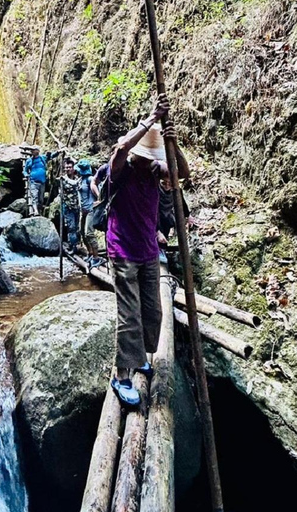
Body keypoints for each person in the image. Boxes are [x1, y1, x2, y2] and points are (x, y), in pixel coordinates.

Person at [107, 93, 189, 406]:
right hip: (122, 251)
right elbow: (120, 148)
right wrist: (151, 119)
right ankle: (122, 376)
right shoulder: (120, 170)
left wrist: (173, 142)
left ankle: (139, 356)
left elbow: (183, 173)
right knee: (129, 315)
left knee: (152, 311)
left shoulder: (155, 173)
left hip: (147, 252)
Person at [76, 159, 105, 268]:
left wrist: (99, 199)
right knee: (82, 232)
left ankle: (97, 258)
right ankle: (90, 253)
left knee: (89, 233)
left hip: (91, 210)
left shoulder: (90, 179)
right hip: (83, 211)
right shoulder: (80, 180)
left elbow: (95, 188)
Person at [156, 176, 190, 263]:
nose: (167, 186)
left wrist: (188, 216)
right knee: (159, 221)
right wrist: (158, 231)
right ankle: (159, 248)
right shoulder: (155, 190)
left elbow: (182, 202)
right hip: (155, 213)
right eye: (164, 183)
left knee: (168, 220)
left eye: (169, 183)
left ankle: (162, 248)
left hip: (166, 214)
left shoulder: (176, 190)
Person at [23, 146, 55, 216]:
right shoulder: (29, 161)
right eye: (32, 151)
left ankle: (39, 210)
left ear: (37, 151)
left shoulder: (42, 158)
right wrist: (26, 175)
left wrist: (58, 152)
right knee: (34, 197)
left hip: (42, 182)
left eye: (34, 150)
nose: (33, 152)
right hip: (33, 181)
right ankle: (36, 211)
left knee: (41, 199)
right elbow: (25, 170)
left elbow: (51, 156)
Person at [60, 158, 81, 254]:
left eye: (69, 167)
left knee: (77, 227)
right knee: (71, 227)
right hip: (68, 207)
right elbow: (61, 193)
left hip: (77, 207)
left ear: (73, 168)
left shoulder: (77, 178)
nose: (68, 169)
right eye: (66, 167)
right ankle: (73, 247)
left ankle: (76, 244)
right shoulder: (63, 179)